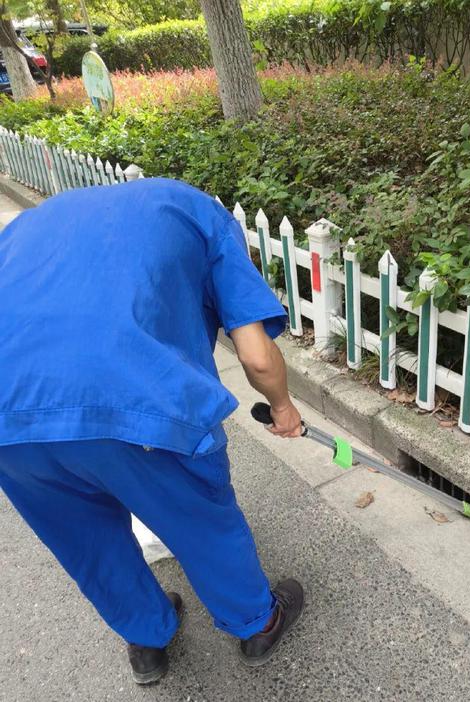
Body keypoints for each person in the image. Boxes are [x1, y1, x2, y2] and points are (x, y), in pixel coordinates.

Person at [0, 177, 305, 684]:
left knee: (84, 537)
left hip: (9, 423)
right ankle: (257, 622)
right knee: (197, 514)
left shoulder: (27, 227)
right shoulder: (204, 216)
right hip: (129, 394)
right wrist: (283, 409)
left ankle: (147, 639)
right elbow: (255, 354)